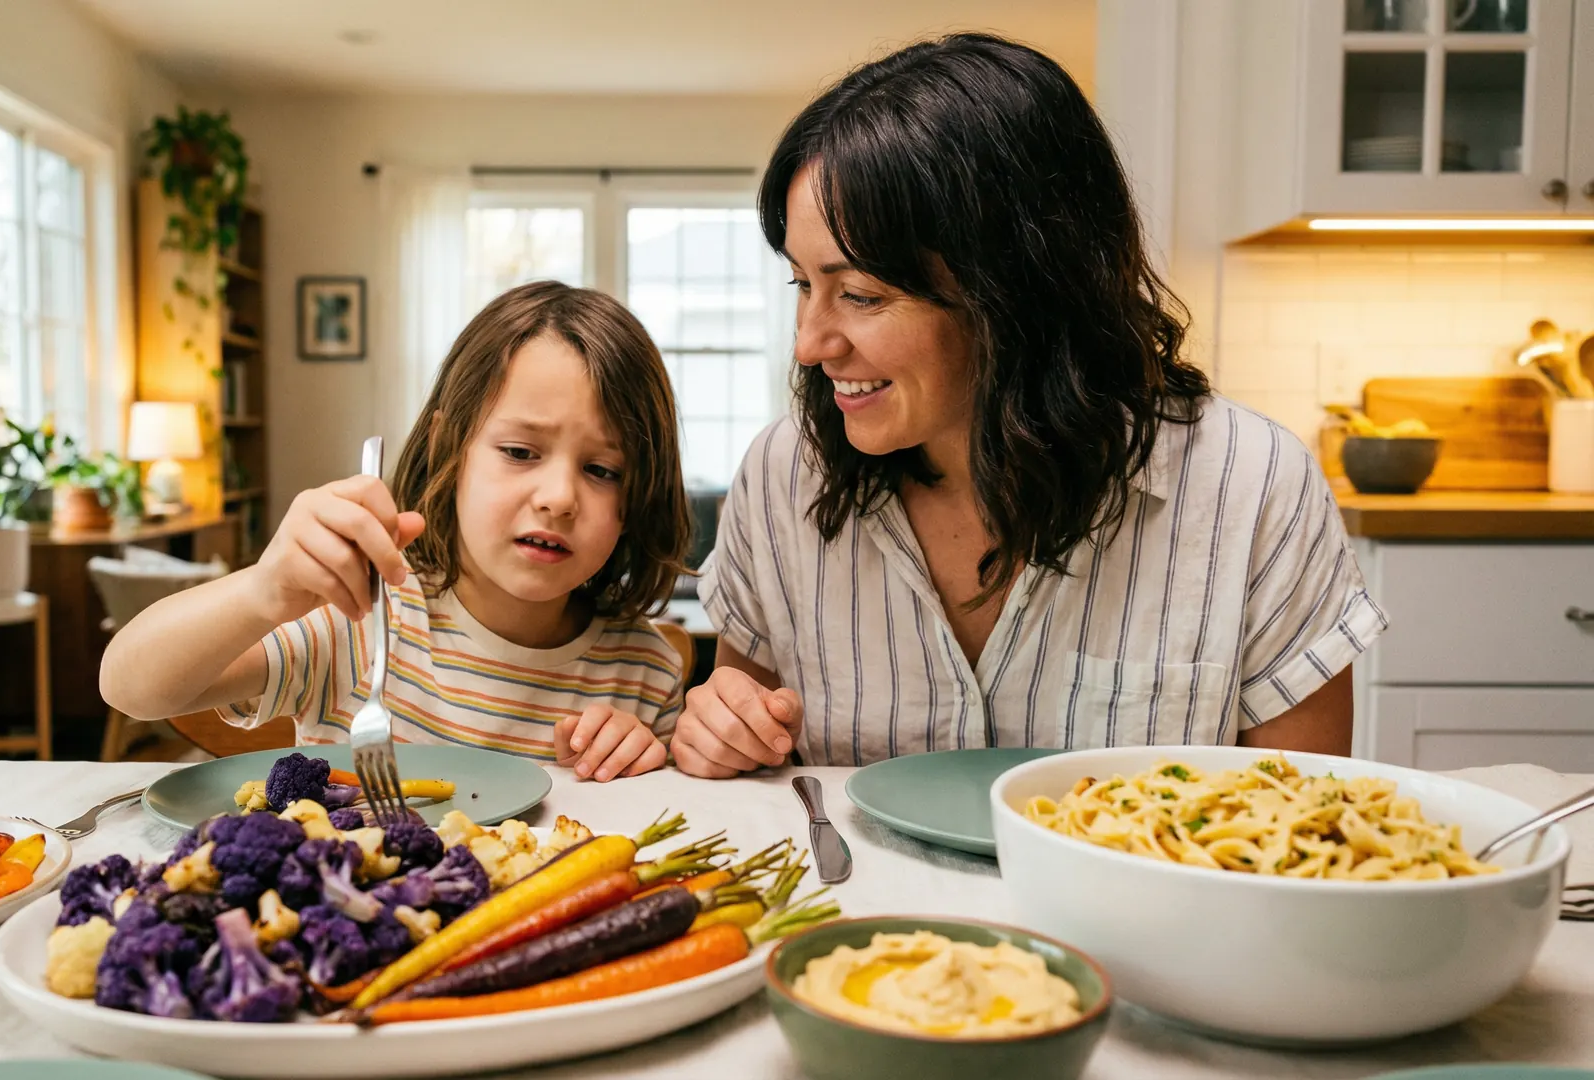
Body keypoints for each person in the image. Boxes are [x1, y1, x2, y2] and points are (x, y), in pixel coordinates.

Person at [673, 34, 1385, 777]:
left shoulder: (1255, 490)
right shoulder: (785, 477)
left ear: (1018, 290)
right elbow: (749, 770)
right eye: (801, 285)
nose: (810, 346)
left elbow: (1300, 837)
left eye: (860, 295)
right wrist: (719, 733)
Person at [101, 282, 692, 782]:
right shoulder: (361, 614)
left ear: (636, 496)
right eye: (519, 451)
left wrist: (640, 765)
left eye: (601, 470)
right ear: (448, 448)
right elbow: (130, 686)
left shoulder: (645, 673)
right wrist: (264, 591)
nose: (560, 497)